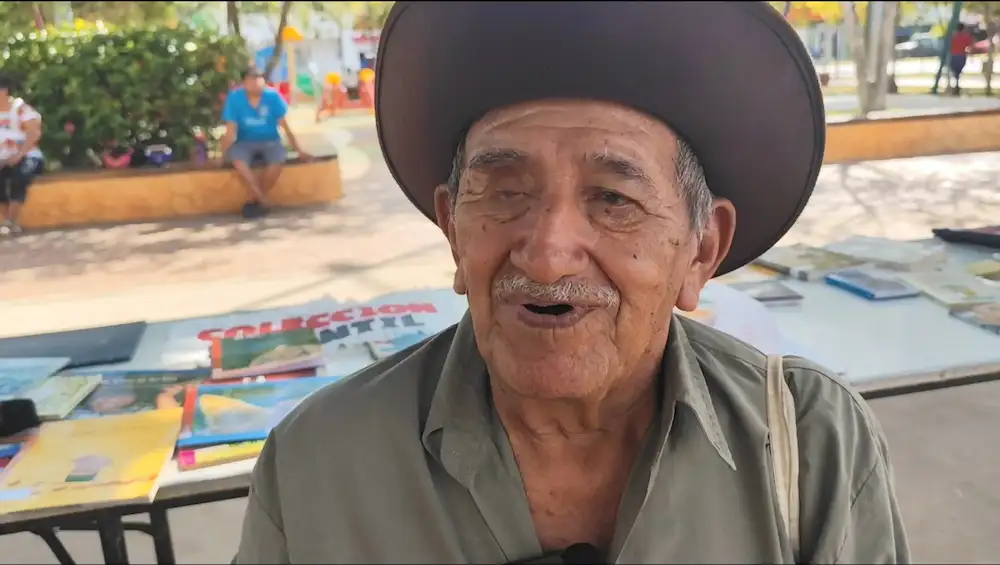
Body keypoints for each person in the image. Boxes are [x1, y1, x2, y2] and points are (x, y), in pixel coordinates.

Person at [235, 3, 910, 564]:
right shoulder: (317, 465)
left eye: (614, 199)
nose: (548, 255)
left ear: (701, 251)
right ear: (453, 228)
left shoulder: (810, 444)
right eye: (503, 191)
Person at [220, 68, 312, 219]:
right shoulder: (235, 98)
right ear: (244, 83)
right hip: (245, 142)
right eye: (251, 79)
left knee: (277, 161)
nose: (255, 83)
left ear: (264, 82)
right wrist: (222, 156)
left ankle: (257, 199)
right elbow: (230, 131)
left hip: (271, 140)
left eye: (258, 79)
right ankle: (262, 200)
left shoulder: (273, 97)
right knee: (238, 160)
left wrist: (299, 150)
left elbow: (285, 126)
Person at [0, 75, 43, 236]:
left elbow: (34, 133)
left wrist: (18, 155)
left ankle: (9, 222)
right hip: (3, 158)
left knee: (21, 175)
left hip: (27, 156)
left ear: (4, 91)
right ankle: (10, 222)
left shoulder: (20, 108)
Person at [950, 23, 975, 96]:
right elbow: (970, 46)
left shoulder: (953, 36)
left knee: (955, 72)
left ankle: (956, 86)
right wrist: (971, 55)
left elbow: (949, 45)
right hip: (961, 55)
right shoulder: (966, 36)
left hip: (954, 55)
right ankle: (957, 86)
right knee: (958, 71)